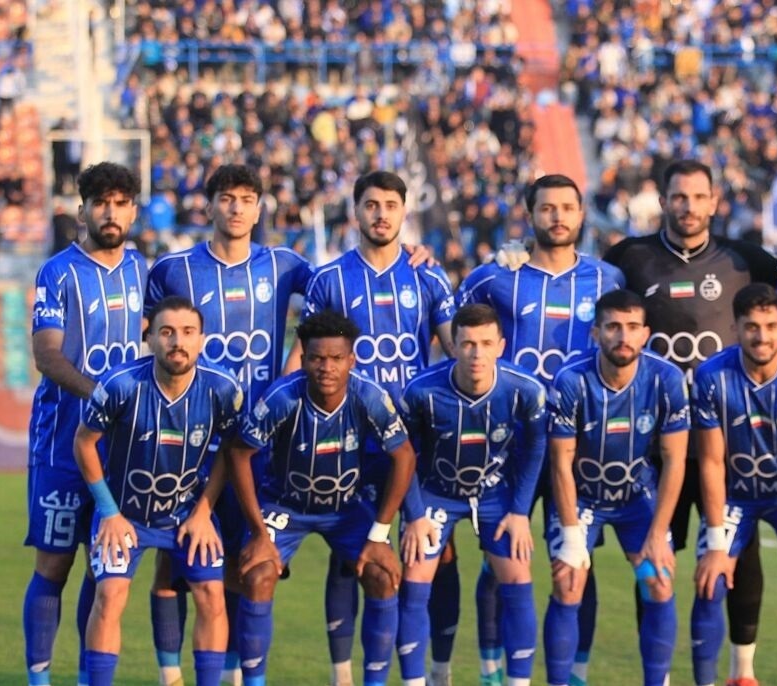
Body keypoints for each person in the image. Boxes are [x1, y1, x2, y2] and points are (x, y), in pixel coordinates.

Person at [601, 159, 777, 686]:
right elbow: (580, 287)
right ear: (663, 201)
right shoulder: (628, 258)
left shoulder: (749, 260)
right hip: (652, 444)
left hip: (727, 442)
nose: (688, 207)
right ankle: (656, 675)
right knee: (652, 556)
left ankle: (742, 670)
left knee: (738, 552)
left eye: (698, 197)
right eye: (679, 197)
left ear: (714, 201)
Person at [144, 163, 313, 686]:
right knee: (172, 560)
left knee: (243, 563)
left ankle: (236, 674)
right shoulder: (173, 269)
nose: (236, 208)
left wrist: (288, 377)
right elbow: (146, 337)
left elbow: (335, 300)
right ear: (210, 205)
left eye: (246, 199)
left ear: (259, 209)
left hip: (254, 445)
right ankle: (171, 675)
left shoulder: (285, 265)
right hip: (187, 440)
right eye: (226, 198)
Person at [458, 173, 624, 685]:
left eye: (567, 207)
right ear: (529, 215)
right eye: (546, 208)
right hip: (508, 447)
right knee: (500, 559)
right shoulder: (495, 278)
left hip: (581, 450)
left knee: (576, 561)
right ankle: (492, 672)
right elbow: (453, 330)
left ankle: (573, 674)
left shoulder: (608, 280)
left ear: (581, 214)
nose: (557, 217)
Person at [302, 170, 456, 686]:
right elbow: (308, 359)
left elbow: (456, 349)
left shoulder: (428, 276)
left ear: (404, 211)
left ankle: (437, 670)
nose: (381, 214)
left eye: (391, 205)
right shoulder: (328, 280)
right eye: (371, 205)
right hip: (349, 440)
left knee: (436, 552)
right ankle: (342, 674)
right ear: (356, 212)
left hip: (416, 441)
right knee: (349, 554)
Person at [225, 310, 417, 686]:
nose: (326, 368)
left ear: (351, 360)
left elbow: (405, 456)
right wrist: (259, 533)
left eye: (336, 358)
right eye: (316, 358)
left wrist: (380, 534)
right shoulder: (282, 397)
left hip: (347, 508)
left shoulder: (369, 396)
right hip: (286, 506)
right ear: (303, 359)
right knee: (258, 574)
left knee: (382, 574)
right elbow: (238, 453)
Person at [74, 296, 244, 686]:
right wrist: (109, 512)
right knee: (110, 594)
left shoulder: (222, 388)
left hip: (186, 514)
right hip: (124, 514)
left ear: (201, 340)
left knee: (212, 594)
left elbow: (231, 450)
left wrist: (204, 512)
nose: (177, 342)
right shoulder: (120, 385)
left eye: (187, 332)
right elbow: (84, 442)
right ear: (149, 338)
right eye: (166, 332)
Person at [22, 162, 147, 686]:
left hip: (118, 452)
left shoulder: (144, 270)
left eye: (120, 203)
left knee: (105, 569)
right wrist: (102, 394)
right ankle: (38, 679)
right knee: (53, 566)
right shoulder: (57, 273)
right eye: (100, 203)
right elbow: (47, 355)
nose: (110, 212)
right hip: (60, 444)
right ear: (83, 211)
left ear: (133, 212)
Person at [689, 283, 777, 686]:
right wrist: (716, 544)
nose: (762, 336)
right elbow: (711, 463)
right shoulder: (711, 377)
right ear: (735, 327)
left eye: (771, 326)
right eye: (752, 326)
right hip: (737, 496)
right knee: (710, 581)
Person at [395, 303, 547, 686]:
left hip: (496, 495)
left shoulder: (525, 389)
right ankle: (422, 680)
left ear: (501, 346)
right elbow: (404, 455)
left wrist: (520, 511)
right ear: (453, 345)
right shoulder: (421, 391)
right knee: (415, 575)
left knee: (518, 575)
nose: (476, 354)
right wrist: (414, 515)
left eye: (485, 344)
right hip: (435, 493)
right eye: (467, 344)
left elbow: (536, 447)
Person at [543, 288, 688, 686]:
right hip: (582, 497)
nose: (623, 336)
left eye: (632, 327)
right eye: (613, 327)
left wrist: (658, 533)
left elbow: (675, 460)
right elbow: (560, 462)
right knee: (568, 581)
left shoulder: (667, 379)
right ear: (596, 333)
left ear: (646, 334)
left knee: (659, 580)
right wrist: (572, 535)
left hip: (637, 498)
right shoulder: (571, 380)